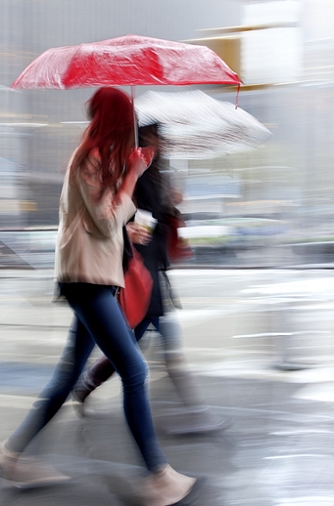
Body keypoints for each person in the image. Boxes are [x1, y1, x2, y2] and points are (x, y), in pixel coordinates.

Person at [0, 88, 198, 505]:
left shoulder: (101, 158)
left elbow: (104, 221)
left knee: (68, 377)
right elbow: (103, 220)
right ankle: (157, 475)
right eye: (127, 120)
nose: (132, 130)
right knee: (135, 371)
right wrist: (134, 178)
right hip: (87, 282)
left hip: (94, 277)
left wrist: (130, 228)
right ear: (116, 121)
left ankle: (11, 455)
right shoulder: (90, 156)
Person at [72, 124, 230, 435]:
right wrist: (149, 213)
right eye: (151, 138)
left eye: (159, 139)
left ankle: (87, 383)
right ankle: (197, 413)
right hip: (141, 269)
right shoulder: (137, 172)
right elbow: (132, 218)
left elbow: (159, 218)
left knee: (133, 343)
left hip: (155, 269)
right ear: (142, 140)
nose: (157, 144)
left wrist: (172, 204)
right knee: (153, 344)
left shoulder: (158, 173)